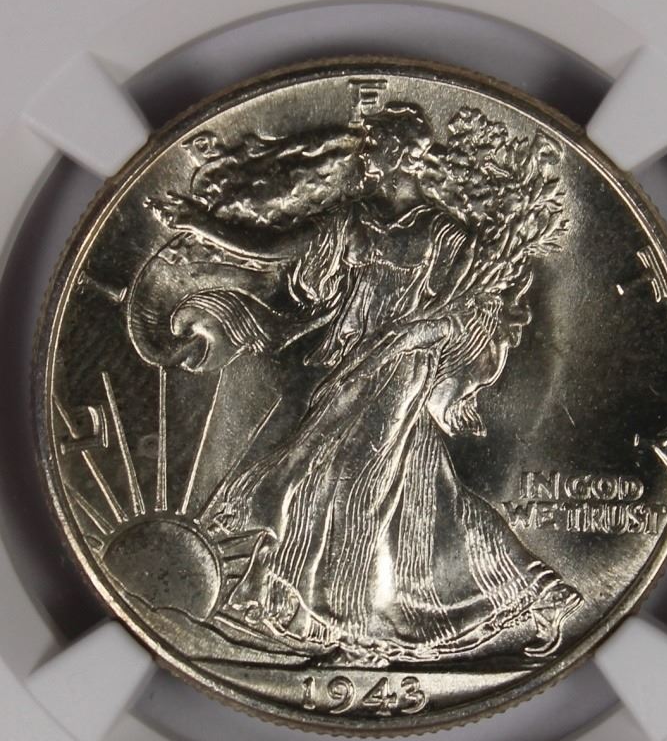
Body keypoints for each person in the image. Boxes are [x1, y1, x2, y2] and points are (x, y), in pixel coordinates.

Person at [133, 102, 582, 664]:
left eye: (379, 146)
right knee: (396, 485)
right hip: (350, 363)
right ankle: (521, 588)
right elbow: (275, 247)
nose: (368, 155)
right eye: (369, 146)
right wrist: (202, 225)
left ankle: (347, 617)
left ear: (406, 155)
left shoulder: (446, 236)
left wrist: (402, 339)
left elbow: (465, 317)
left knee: (344, 480)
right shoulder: (353, 220)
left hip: (402, 369)